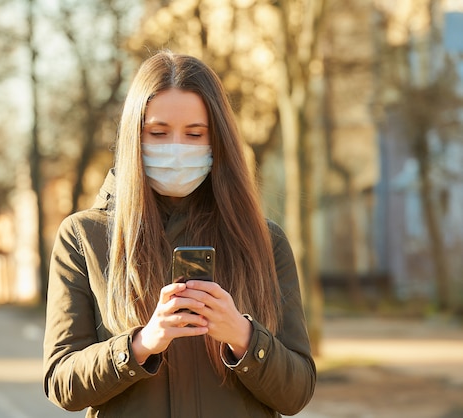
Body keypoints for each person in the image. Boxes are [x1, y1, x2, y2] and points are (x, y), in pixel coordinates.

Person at [43, 51, 316, 418]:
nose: (176, 148)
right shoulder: (83, 237)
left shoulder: (264, 242)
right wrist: (140, 345)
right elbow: (62, 383)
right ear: (134, 138)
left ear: (216, 141)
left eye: (194, 134)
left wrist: (242, 336)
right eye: (158, 133)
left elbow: (296, 393)